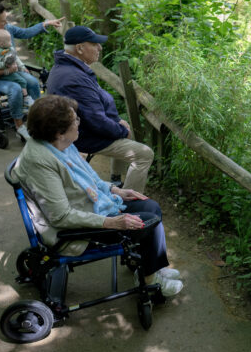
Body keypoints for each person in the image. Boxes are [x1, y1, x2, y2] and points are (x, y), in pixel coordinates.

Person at [14, 95, 182, 296]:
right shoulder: (40, 162)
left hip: (88, 206)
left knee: (149, 207)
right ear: (59, 133)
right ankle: (150, 281)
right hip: (73, 228)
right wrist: (111, 222)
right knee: (147, 221)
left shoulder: (58, 144)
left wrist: (114, 190)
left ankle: (153, 268)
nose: (79, 122)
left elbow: (90, 179)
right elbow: (60, 216)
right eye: (75, 120)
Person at [46, 25, 154, 193]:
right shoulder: (74, 77)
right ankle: (129, 204)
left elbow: (93, 109)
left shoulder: (68, 66)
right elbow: (95, 120)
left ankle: (116, 180)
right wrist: (120, 130)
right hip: (83, 136)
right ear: (80, 48)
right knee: (144, 154)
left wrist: (118, 122)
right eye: (94, 43)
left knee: (123, 127)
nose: (100, 47)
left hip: (82, 128)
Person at [0, 2, 61, 140]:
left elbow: (25, 33)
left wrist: (45, 24)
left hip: (11, 71)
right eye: (3, 21)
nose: (7, 23)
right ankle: (19, 126)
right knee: (15, 89)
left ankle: (37, 120)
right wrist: (1, 72)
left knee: (33, 82)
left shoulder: (6, 28)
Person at [0, 28, 38, 108]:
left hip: (13, 71)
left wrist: (22, 67)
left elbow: (16, 58)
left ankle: (17, 101)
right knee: (21, 81)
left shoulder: (9, 48)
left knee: (28, 80)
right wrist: (4, 65)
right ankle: (25, 99)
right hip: (4, 74)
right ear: (1, 44)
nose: (11, 42)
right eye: (9, 41)